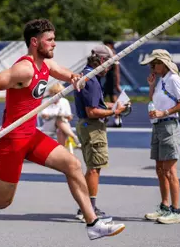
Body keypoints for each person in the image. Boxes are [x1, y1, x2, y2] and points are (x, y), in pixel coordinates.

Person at [0, 19, 125, 240]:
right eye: (49, 40)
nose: (54, 44)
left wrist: (74, 78)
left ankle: (92, 223)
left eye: (54, 39)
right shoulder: (23, 69)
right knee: (1, 201)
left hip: (31, 135)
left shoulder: (46, 65)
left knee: (73, 165)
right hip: (12, 141)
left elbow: (62, 72)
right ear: (34, 42)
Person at [74, 45, 128, 223]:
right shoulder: (91, 79)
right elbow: (92, 111)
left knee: (93, 167)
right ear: (103, 61)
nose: (110, 69)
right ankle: (88, 208)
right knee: (94, 168)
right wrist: (114, 112)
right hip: (92, 127)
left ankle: (86, 206)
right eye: (110, 65)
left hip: (89, 125)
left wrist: (113, 107)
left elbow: (95, 105)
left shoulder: (87, 76)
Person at [141, 49, 180, 224]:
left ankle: (176, 211)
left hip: (169, 126)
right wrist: (152, 85)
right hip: (158, 126)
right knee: (160, 170)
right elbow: (153, 101)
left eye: (155, 63)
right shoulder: (162, 80)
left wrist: (165, 112)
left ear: (164, 63)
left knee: (169, 171)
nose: (152, 67)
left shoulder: (174, 79)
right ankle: (165, 206)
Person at [39, 82, 81, 148]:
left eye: (60, 93)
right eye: (55, 93)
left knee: (60, 129)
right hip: (49, 126)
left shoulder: (64, 101)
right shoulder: (46, 101)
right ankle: (74, 137)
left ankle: (61, 149)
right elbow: (44, 115)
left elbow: (70, 117)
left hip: (63, 126)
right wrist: (55, 115)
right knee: (58, 120)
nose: (58, 95)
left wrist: (63, 115)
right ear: (51, 93)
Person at [102, 38, 122, 127]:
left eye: (107, 45)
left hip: (112, 80)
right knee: (101, 99)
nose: (105, 47)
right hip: (108, 80)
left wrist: (117, 84)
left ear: (111, 45)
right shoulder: (106, 54)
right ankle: (104, 117)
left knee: (113, 99)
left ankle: (118, 119)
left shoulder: (114, 54)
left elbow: (117, 71)